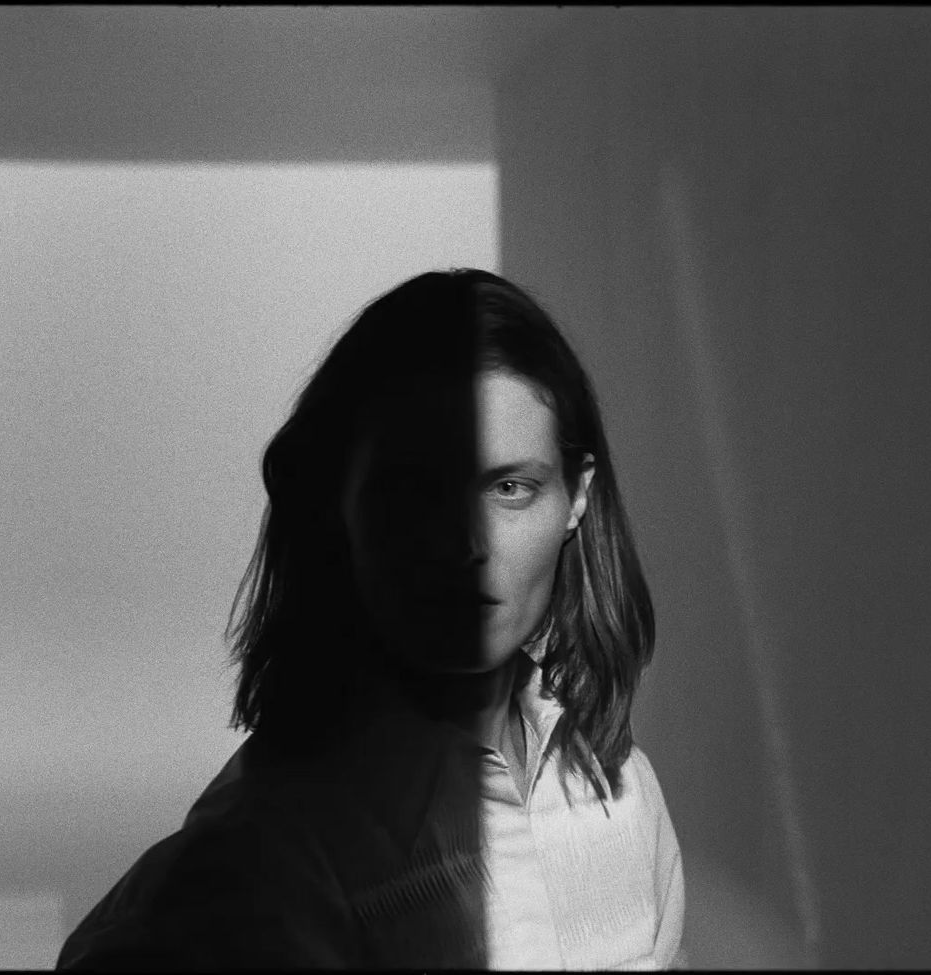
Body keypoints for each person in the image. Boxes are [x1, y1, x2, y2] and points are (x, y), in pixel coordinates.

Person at [57, 269, 685, 969]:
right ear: (338, 506)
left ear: (575, 498)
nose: (467, 545)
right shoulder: (259, 860)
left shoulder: (620, 793)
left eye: (511, 488)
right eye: (418, 493)